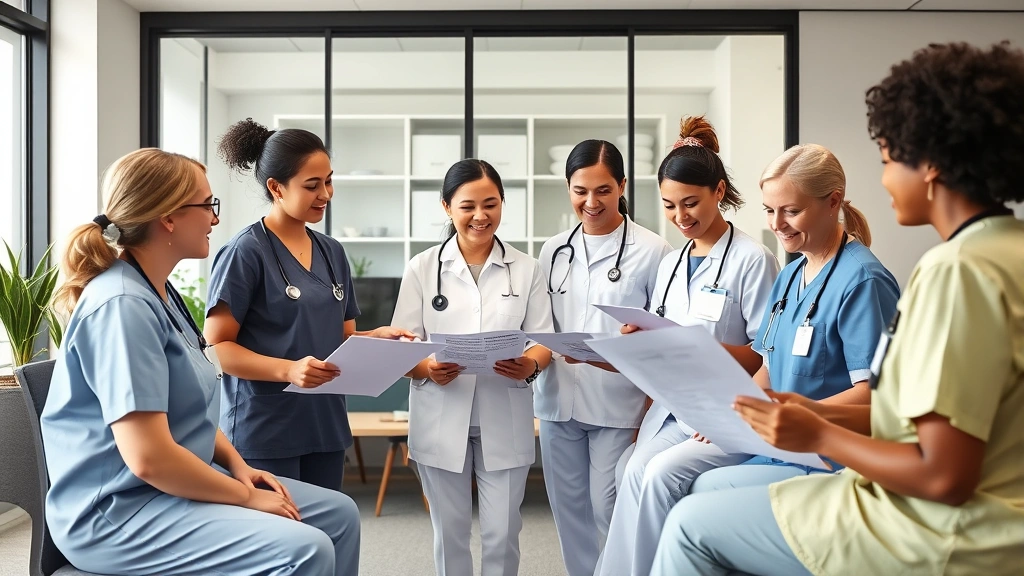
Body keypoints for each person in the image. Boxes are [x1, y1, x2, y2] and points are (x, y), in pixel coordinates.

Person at [651, 40, 1024, 576]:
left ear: (933, 166)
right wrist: (809, 410)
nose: (884, 178)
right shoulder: (1002, 251)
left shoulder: (954, 271)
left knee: (691, 525)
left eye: (889, 159)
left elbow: (944, 474)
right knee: (701, 496)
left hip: (942, 528)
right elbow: (913, 416)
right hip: (973, 506)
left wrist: (820, 432)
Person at [41, 149, 359, 575]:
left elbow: (190, 417)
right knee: (305, 548)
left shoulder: (161, 293)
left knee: (339, 514)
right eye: (207, 205)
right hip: (120, 512)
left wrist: (239, 467)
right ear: (168, 217)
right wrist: (246, 497)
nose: (215, 218)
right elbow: (149, 458)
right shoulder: (122, 306)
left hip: (173, 483)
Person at [596, 117, 780, 576]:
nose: (681, 218)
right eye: (669, 206)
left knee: (654, 476)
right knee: (627, 472)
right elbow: (660, 335)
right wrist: (642, 342)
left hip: (727, 405)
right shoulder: (673, 262)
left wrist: (691, 344)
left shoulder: (752, 260)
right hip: (673, 406)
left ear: (719, 192)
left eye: (691, 203)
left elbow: (765, 353)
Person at [674, 141, 900, 498]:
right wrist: (736, 411)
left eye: (790, 211)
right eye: (769, 210)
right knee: (687, 481)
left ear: (833, 202)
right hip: (780, 443)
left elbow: (876, 394)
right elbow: (768, 364)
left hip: (831, 456)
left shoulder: (863, 280)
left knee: (701, 492)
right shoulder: (791, 275)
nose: (777, 225)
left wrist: (792, 414)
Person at [204, 118, 411, 491]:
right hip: (265, 430)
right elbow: (217, 349)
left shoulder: (332, 252)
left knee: (326, 536)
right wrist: (288, 371)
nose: (326, 194)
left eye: (329, 181)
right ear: (276, 188)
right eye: (312, 185)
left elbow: (341, 339)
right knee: (278, 542)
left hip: (324, 424)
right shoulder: (245, 253)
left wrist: (376, 338)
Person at [391, 159, 554, 576]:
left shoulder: (527, 268)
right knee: (450, 532)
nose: (480, 216)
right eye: (467, 206)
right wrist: (426, 366)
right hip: (441, 409)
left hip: (505, 409)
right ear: (447, 207)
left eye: (491, 204)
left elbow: (542, 341)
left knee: (502, 532)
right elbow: (399, 346)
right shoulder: (422, 268)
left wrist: (529, 366)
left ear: (502, 204)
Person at [534, 139, 672, 576]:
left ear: (623, 186)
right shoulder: (553, 250)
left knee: (608, 507)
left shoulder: (654, 251)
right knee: (569, 513)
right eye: (580, 191)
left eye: (603, 191)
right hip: (558, 400)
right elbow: (541, 322)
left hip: (621, 400)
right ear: (568, 188)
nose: (590, 202)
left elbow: (662, 333)